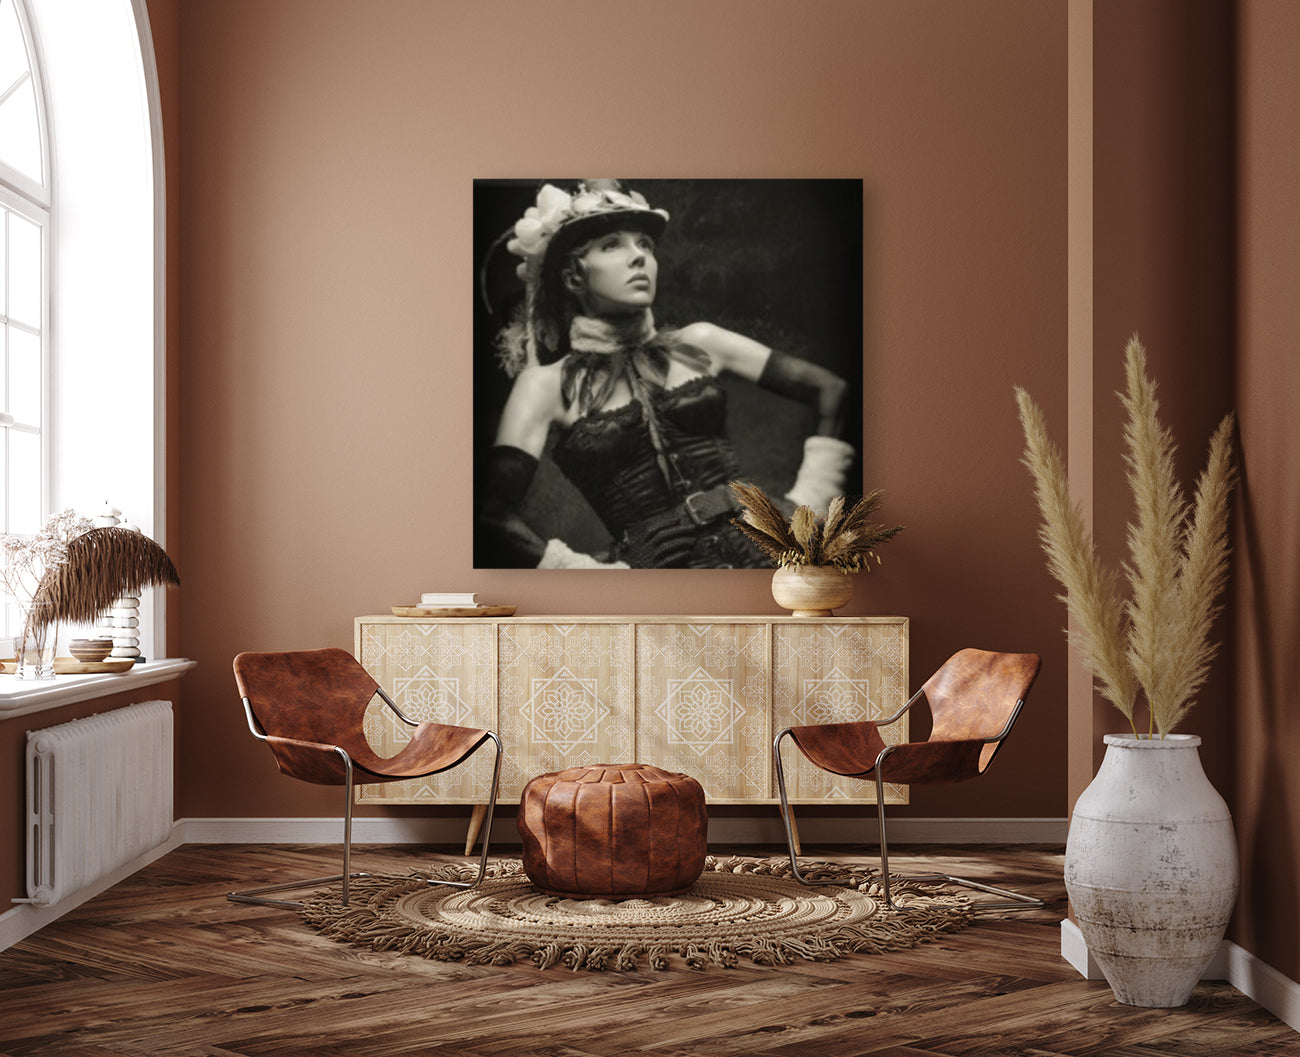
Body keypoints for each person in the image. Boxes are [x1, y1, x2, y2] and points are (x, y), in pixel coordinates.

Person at [475, 179, 856, 569]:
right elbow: (490, 514)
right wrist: (586, 573)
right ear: (574, 277)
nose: (638, 257)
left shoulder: (701, 342)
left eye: (645, 245)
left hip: (770, 563)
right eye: (612, 245)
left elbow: (832, 390)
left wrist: (810, 503)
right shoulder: (545, 386)